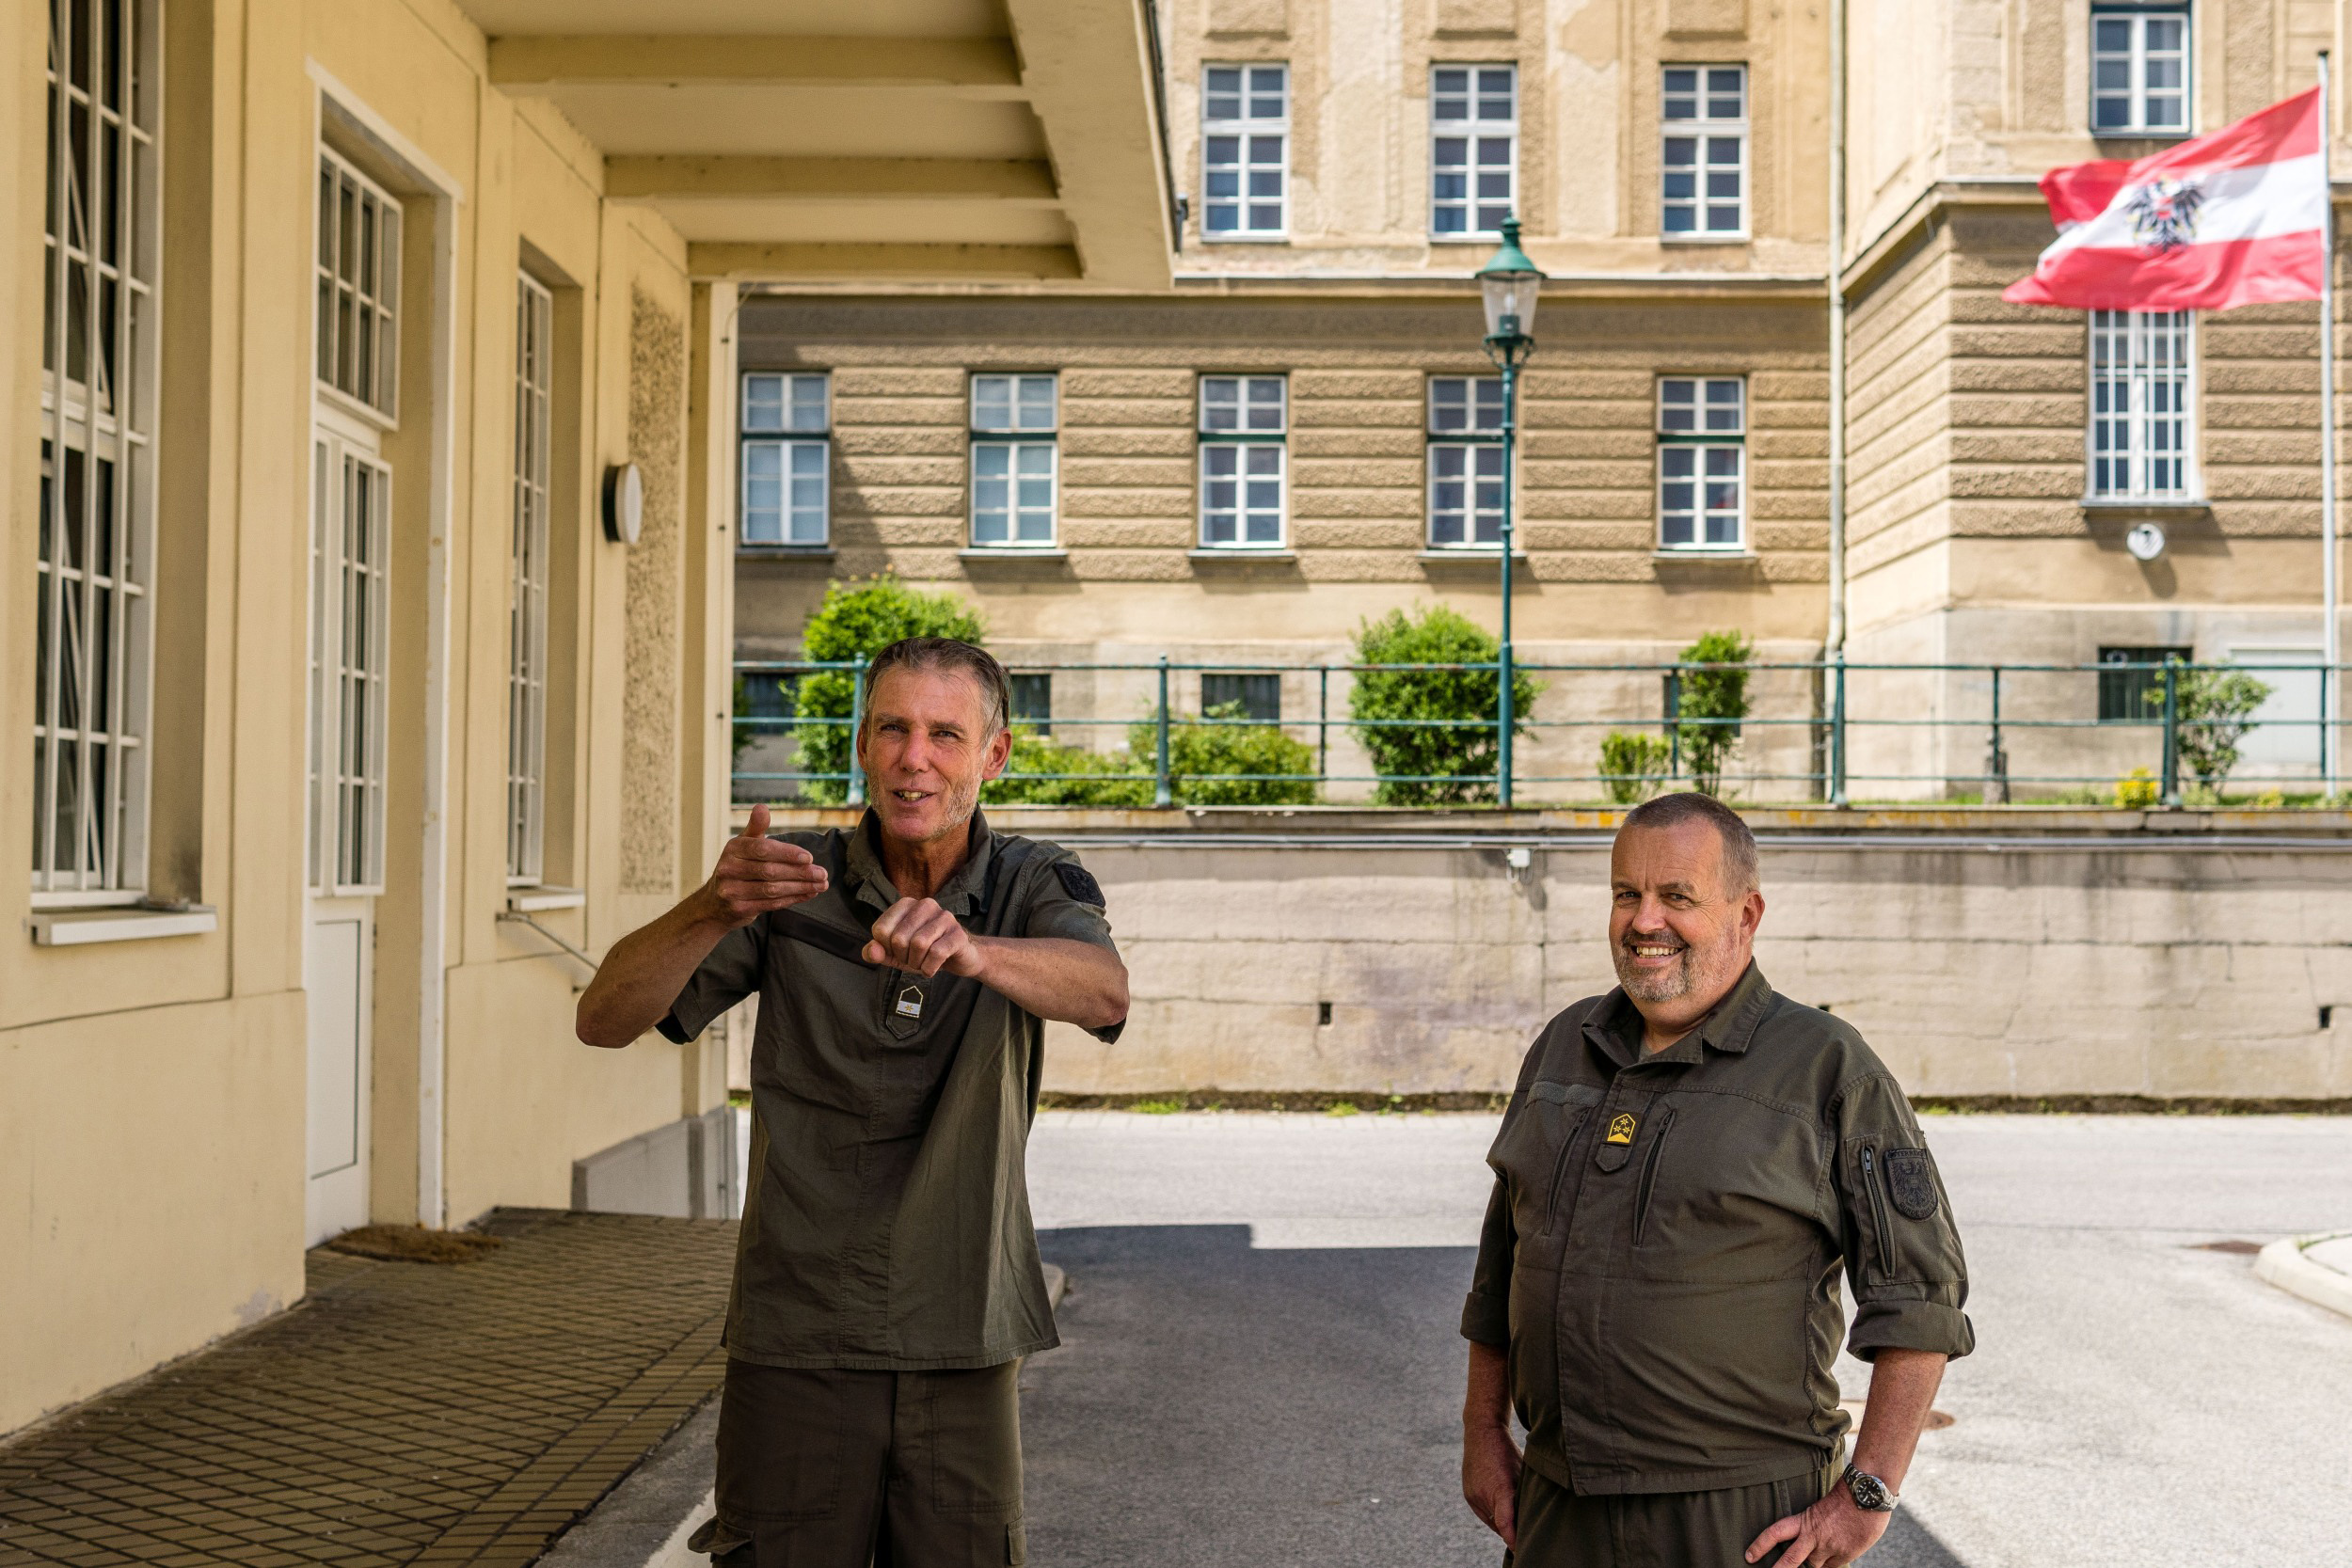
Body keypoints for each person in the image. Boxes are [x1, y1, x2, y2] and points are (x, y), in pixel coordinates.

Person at [576, 636, 1129, 1568]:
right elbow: (603, 1018)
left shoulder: (1032, 880)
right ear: (863, 744)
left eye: (946, 734)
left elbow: (1104, 991)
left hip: (962, 1329)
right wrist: (708, 907)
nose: (916, 758)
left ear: (993, 754)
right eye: (893, 729)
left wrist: (973, 951)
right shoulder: (789, 880)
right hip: (796, 1330)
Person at [1458, 791, 1973, 1568]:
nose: (1645, 920)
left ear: (1746, 913)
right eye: (1626, 893)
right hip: (1559, 1510)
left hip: (1741, 1520)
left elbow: (1920, 1300)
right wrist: (1482, 1430)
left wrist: (1867, 1493)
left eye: (1677, 896)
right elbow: (1502, 1263)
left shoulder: (1827, 1067)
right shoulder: (1564, 1047)